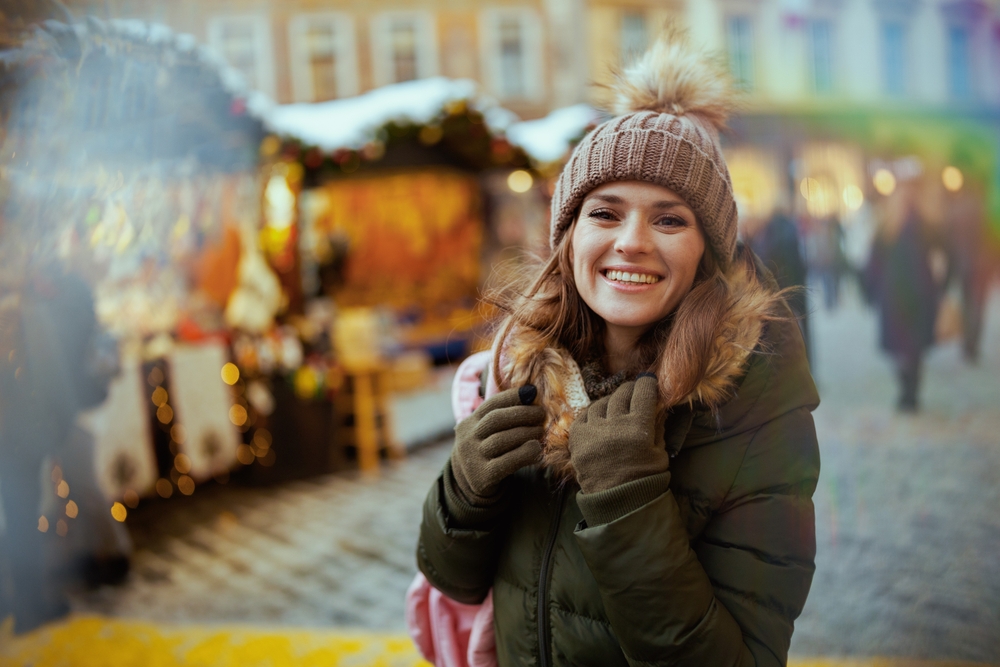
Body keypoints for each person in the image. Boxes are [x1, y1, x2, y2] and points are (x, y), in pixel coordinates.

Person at [412, 31, 820, 667]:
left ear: (708, 251)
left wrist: (629, 502)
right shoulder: (517, 370)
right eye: (605, 213)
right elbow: (456, 580)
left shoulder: (757, 414)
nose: (631, 242)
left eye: (668, 219)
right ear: (569, 237)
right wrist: (461, 493)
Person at [864, 177, 944, 412]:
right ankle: (912, 393)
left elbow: (873, 263)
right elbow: (941, 249)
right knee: (914, 346)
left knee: (899, 346)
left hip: (893, 295)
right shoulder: (924, 223)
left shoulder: (886, 225)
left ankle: (905, 391)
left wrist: (871, 291)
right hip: (920, 292)